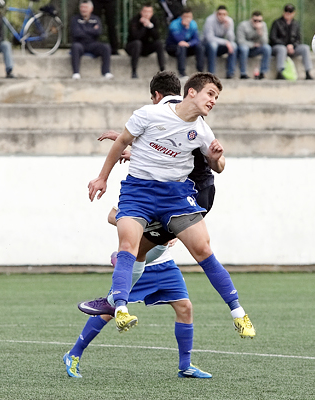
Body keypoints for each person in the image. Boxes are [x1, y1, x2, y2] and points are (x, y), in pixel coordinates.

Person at [87, 72, 255, 340]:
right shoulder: (149, 114)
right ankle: (120, 307)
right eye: (210, 94)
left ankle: (238, 312)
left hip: (176, 196)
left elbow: (219, 167)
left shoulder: (201, 129)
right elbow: (121, 142)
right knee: (129, 245)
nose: (213, 101)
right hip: (139, 192)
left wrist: (215, 159)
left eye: (216, 97)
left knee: (203, 250)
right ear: (191, 92)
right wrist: (102, 178)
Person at [64, 245, 212, 379]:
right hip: (137, 265)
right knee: (110, 309)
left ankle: (185, 366)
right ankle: (73, 354)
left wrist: (173, 232)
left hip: (166, 266)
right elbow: (112, 216)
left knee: (185, 307)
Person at [70, 0, 113, 80]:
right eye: (82, 7)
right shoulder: (75, 19)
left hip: (92, 44)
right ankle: (76, 73)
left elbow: (98, 32)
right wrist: (91, 30)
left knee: (106, 47)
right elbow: (76, 33)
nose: (83, 9)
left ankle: (106, 72)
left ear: (91, 9)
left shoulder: (96, 19)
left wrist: (83, 30)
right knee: (75, 47)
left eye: (85, 7)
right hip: (80, 44)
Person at [269, 4, 314, 80]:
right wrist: (285, 45)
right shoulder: (277, 23)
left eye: (290, 11)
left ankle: (308, 71)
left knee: (305, 48)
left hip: (292, 48)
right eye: (286, 11)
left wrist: (293, 45)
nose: (288, 13)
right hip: (279, 47)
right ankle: (280, 72)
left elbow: (298, 39)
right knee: (282, 49)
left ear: (293, 13)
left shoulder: (296, 24)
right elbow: (273, 38)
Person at [125, 4, 165, 79]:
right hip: (132, 47)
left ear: (152, 13)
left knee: (159, 44)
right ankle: (134, 71)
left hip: (145, 47)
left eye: (149, 12)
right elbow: (136, 37)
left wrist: (150, 26)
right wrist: (143, 26)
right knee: (137, 43)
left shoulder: (153, 20)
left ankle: (163, 71)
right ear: (141, 12)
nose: (147, 14)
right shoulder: (135, 20)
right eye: (145, 11)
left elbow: (157, 37)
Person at [165, 8, 204, 78]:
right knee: (182, 47)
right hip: (173, 47)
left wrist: (189, 44)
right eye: (186, 17)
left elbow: (196, 39)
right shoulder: (174, 24)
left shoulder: (193, 24)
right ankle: (182, 73)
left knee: (200, 47)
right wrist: (185, 28)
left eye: (189, 17)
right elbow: (179, 40)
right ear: (181, 17)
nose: (188, 19)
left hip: (187, 46)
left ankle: (200, 71)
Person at [203, 5, 237, 79]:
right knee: (213, 45)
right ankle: (211, 73)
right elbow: (209, 38)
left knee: (234, 45)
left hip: (221, 45)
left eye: (224, 14)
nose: (221, 16)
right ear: (216, 13)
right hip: (208, 45)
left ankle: (230, 73)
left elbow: (231, 39)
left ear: (227, 14)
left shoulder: (229, 21)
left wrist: (228, 28)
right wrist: (226, 42)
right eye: (219, 14)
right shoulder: (210, 20)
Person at [237, 11, 271, 79]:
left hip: (256, 49)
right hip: (244, 49)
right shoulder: (243, 25)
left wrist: (260, 32)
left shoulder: (263, 25)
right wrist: (253, 44)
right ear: (251, 19)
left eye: (259, 21)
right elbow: (240, 41)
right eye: (255, 20)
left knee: (267, 48)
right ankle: (243, 73)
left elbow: (265, 42)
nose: (257, 22)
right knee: (244, 49)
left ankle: (262, 73)